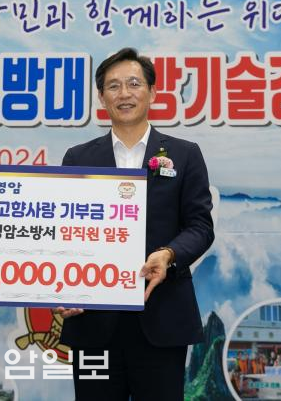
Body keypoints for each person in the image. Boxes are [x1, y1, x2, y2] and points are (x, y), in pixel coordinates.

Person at [56, 48, 214, 400]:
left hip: (162, 316)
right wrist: (64, 287)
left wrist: (169, 254)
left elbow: (201, 226)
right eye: (113, 86)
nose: (124, 93)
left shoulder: (185, 154)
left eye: (133, 83)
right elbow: (65, 232)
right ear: (101, 98)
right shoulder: (78, 157)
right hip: (93, 319)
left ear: (152, 92)